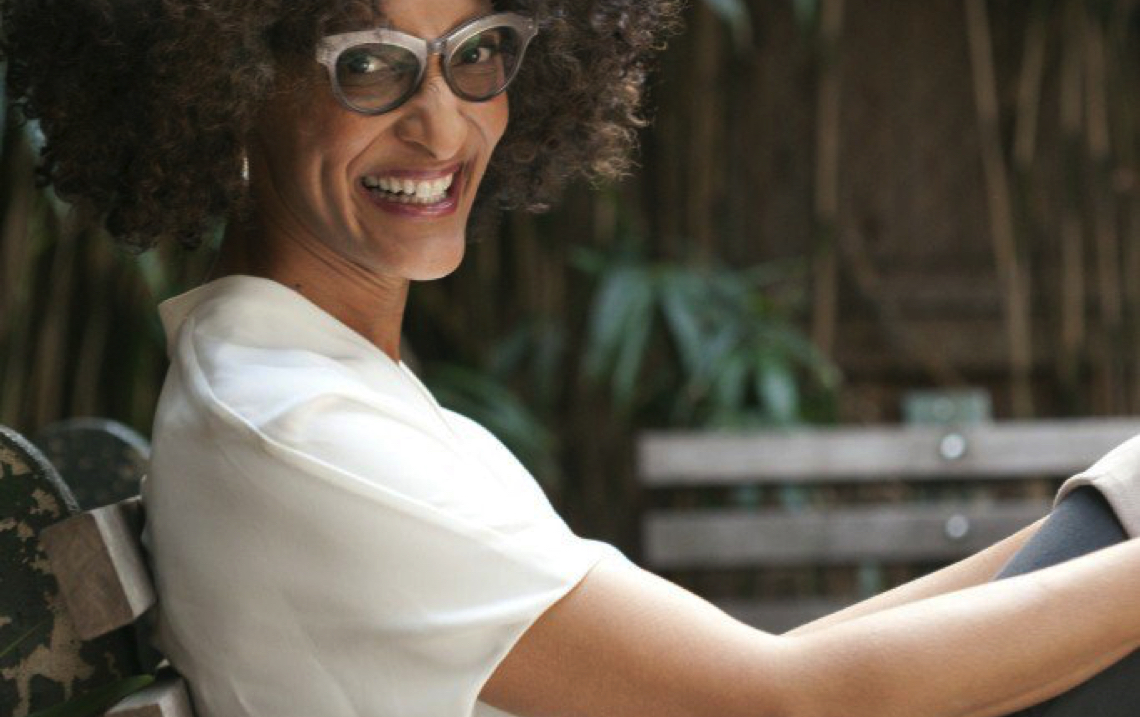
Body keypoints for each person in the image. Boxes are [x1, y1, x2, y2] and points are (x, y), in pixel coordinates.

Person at [4, 0, 1140, 715]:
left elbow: (759, 673)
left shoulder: (301, 385)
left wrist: (1099, 514)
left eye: (477, 54)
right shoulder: (300, 436)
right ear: (229, 85)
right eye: (369, 65)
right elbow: (784, 705)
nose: (443, 128)